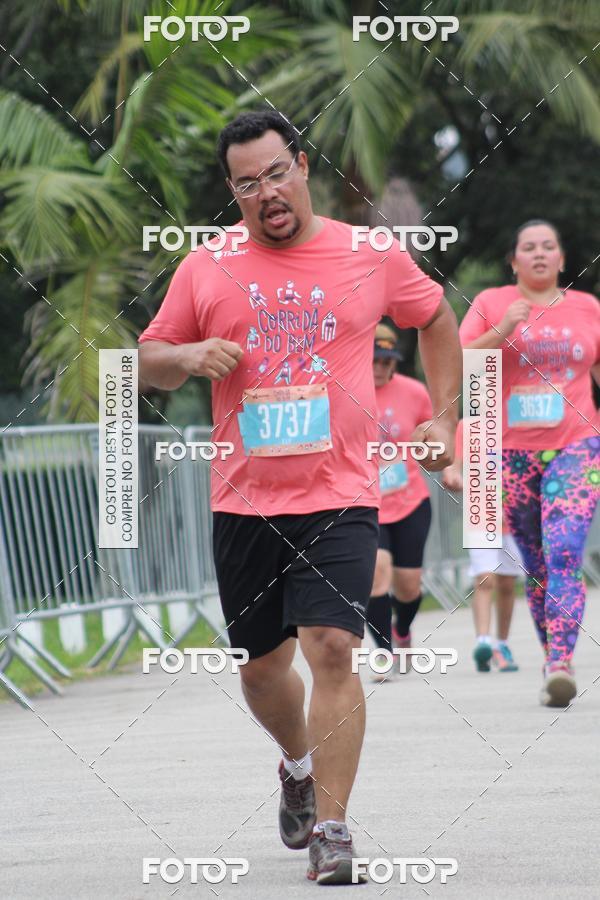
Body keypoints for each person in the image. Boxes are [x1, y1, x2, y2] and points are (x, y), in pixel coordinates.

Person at [138, 109, 461, 884]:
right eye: (248, 184)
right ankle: (295, 766)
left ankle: (335, 830)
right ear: (232, 191)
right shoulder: (205, 266)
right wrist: (184, 353)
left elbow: (438, 319)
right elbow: (145, 363)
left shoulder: (370, 252)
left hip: (341, 494)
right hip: (245, 501)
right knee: (259, 669)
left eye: (277, 173)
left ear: (304, 166)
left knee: (333, 648)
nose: (267, 193)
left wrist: (447, 417)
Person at [459, 219, 600, 707]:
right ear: (513, 261)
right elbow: (463, 363)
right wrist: (503, 330)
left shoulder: (588, 308)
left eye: (549, 247)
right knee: (538, 566)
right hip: (510, 453)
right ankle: (550, 661)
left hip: (576, 445)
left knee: (564, 552)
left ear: (562, 259)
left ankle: (561, 661)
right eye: (528, 248)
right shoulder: (491, 304)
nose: (539, 254)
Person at [366, 323, 433, 680]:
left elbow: (433, 436)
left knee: (409, 584)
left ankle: (402, 630)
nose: (380, 367)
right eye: (374, 359)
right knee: (378, 570)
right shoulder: (343, 392)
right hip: (364, 503)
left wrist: (449, 466)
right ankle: (383, 651)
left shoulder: (414, 392)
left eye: (387, 361)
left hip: (410, 500)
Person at [442, 420, 522, 672]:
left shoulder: (518, 422)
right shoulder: (468, 427)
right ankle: (483, 643)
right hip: (481, 517)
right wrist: (453, 477)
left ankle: (502, 645)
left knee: (507, 584)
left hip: (516, 516)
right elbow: (454, 467)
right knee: (485, 579)